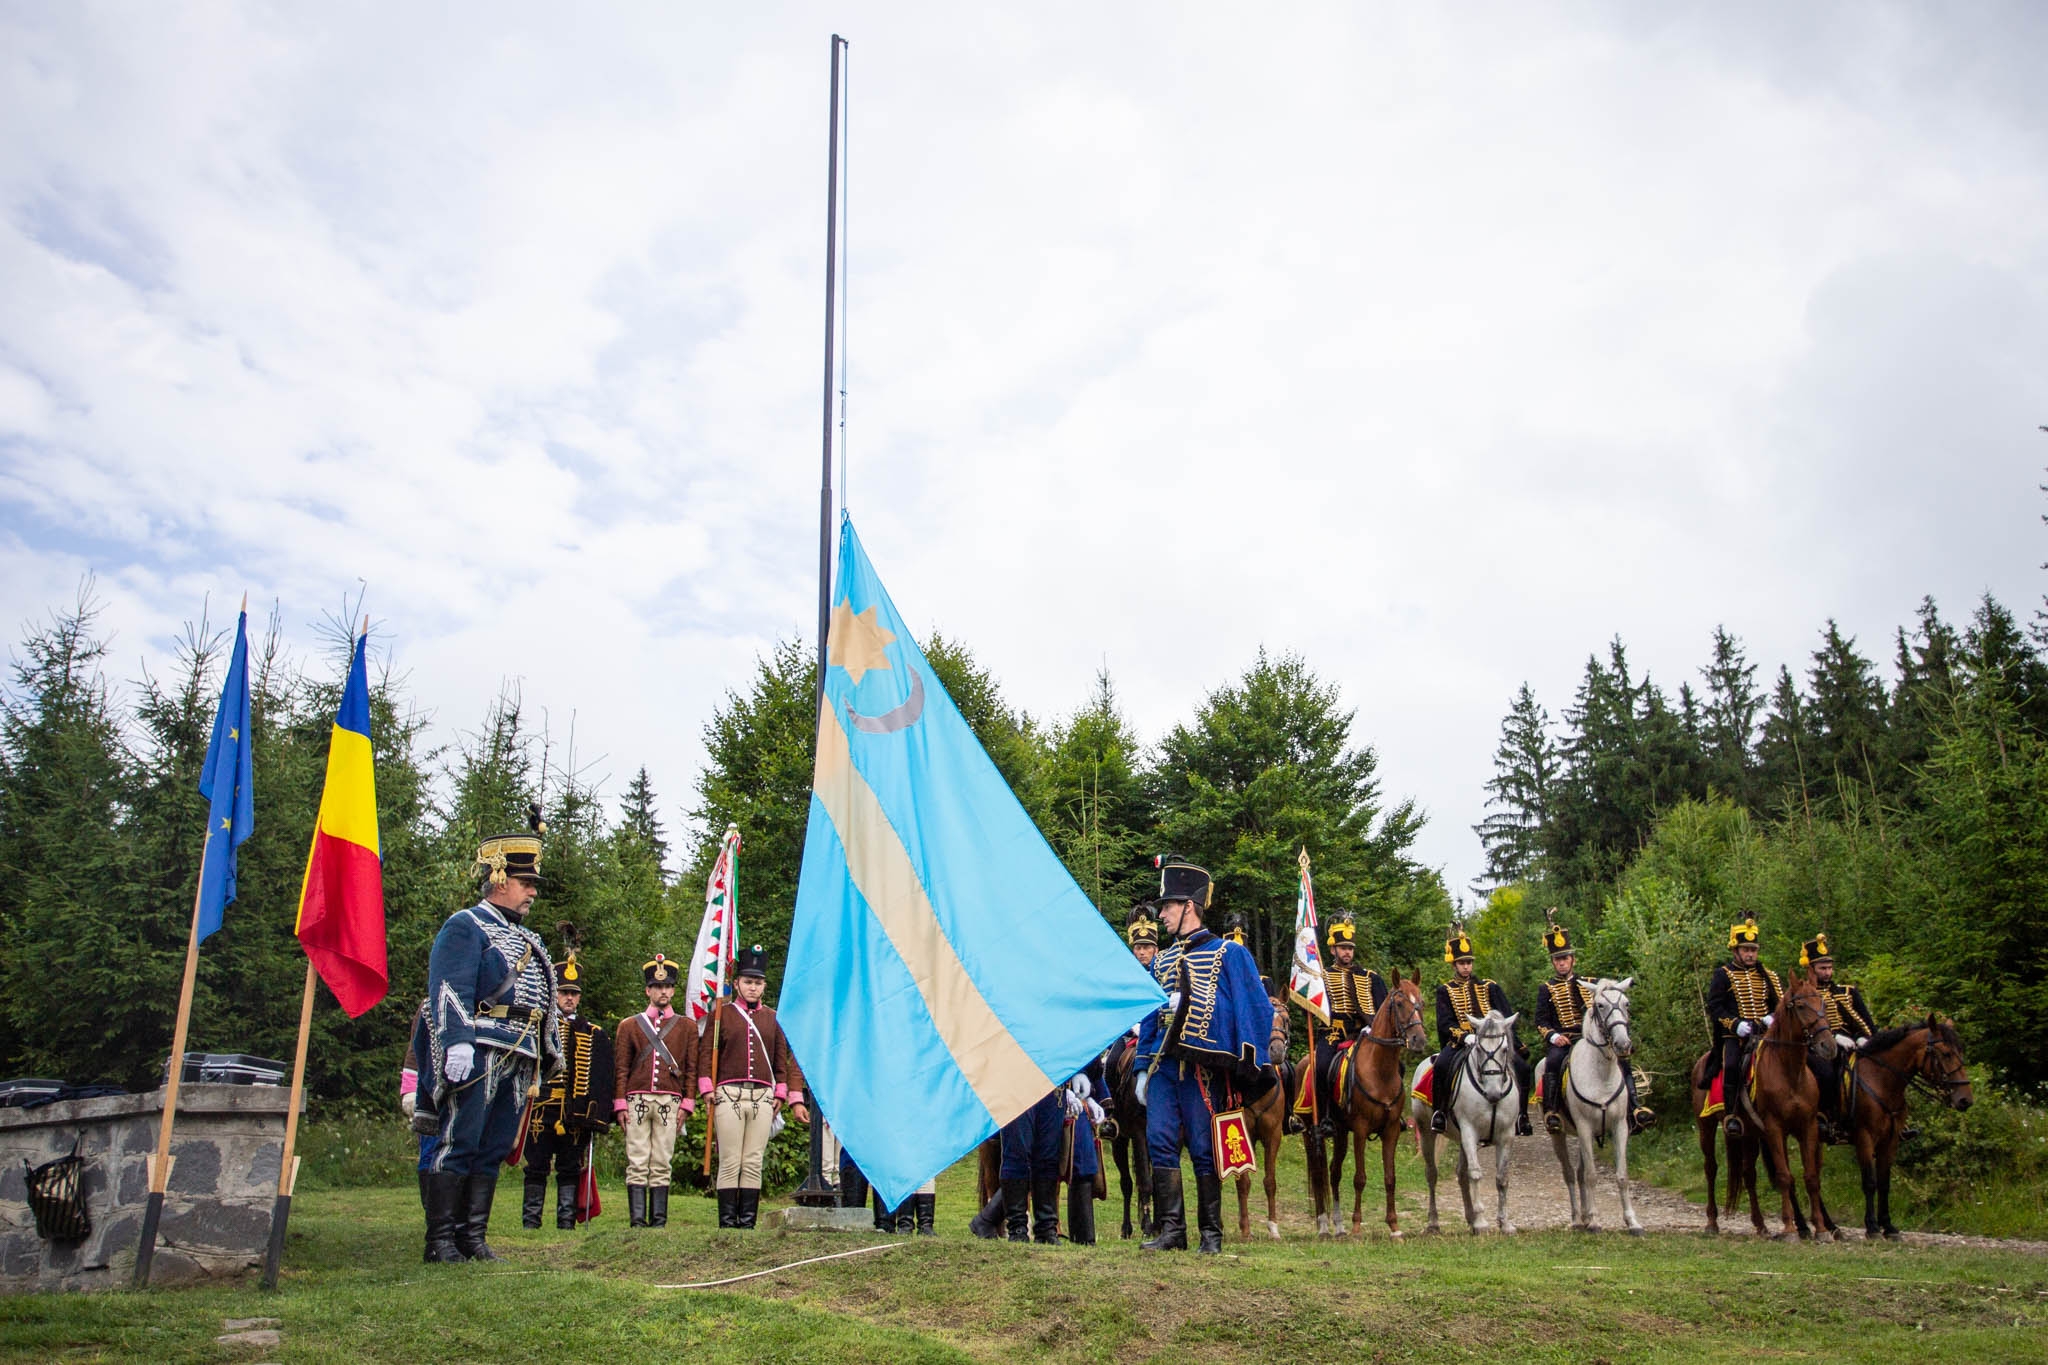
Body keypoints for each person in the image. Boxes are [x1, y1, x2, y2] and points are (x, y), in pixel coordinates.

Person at [422, 812, 562, 1263]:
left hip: (520, 1053)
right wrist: (458, 1039)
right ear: (499, 880)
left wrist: (546, 1050)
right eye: (526, 883)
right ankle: (440, 1241)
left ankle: (471, 1237)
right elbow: (449, 987)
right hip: (480, 1048)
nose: (533, 893)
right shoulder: (466, 925)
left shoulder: (527, 939)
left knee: (494, 1148)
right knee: (460, 1141)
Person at [1134, 855, 1273, 1254]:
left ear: (1188, 908)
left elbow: (1254, 1009)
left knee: (1201, 1146)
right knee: (1159, 1142)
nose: (1162, 916)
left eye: (1167, 908)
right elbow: (1148, 1020)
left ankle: (1211, 1234)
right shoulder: (1159, 962)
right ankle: (1172, 1231)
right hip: (1164, 1070)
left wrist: (1200, 1015)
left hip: (1203, 1072)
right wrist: (1142, 1068)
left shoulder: (1229, 955)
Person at [697, 944, 808, 1230]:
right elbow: (706, 1054)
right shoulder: (722, 1015)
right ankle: (727, 1222)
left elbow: (779, 1058)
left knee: (753, 1160)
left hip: (762, 1096)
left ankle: (747, 1222)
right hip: (729, 1094)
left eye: (758, 983)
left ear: (764, 986)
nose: (753, 988)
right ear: (736, 984)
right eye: (748, 982)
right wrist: (708, 1089)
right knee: (731, 1160)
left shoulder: (773, 1018)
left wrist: (781, 1092)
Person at [522, 937, 614, 1230]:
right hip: (541, 1107)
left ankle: (565, 1222)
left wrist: (596, 1117)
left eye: (574, 993)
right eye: (563, 992)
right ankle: (530, 1221)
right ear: (554, 994)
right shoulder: (537, 1027)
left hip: (574, 1112)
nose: (569, 998)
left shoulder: (593, 1033)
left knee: (569, 1167)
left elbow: (601, 1079)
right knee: (536, 1166)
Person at [1533, 914, 1650, 1134]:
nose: (1562, 962)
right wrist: (1553, 1036)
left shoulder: (1593, 983)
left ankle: (1634, 1108)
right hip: (1565, 1040)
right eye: (1558, 959)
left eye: (1565, 958)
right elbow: (1540, 1021)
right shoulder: (1546, 989)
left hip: (1594, 1039)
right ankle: (1553, 1113)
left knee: (1621, 1058)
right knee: (1553, 1063)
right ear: (1553, 962)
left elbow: (1613, 1012)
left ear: (1573, 960)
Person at [613, 952, 694, 1229]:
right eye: (658, 987)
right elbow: (621, 1068)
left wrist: (688, 1103)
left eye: (668, 986)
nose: (663, 991)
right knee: (637, 1159)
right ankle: (638, 1221)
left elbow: (691, 1068)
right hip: (637, 1098)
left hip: (670, 1100)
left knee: (662, 1160)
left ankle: (658, 1221)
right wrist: (620, 1104)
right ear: (648, 990)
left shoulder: (686, 1027)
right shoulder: (629, 1026)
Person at [1430, 921, 1532, 1137]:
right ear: (1454, 965)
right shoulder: (1445, 990)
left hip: (1492, 1041)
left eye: (1468, 962)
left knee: (1523, 1069)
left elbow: (1506, 1016)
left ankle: (1522, 1116)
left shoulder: (1489, 986)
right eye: (1461, 963)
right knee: (1441, 1066)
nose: (1466, 966)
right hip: (1462, 1042)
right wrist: (1464, 1036)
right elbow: (1444, 1022)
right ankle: (1439, 1112)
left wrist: (1517, 1043)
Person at [1701, 917, 1783, 1137]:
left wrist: (1772, 1018)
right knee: (1733, 1065)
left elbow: (1781, 1006)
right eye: (1745, 950)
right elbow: (1715, 1006)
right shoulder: (1723, 975)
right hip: (1736, 1036)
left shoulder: (1769, 976)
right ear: (1735, 951)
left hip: (1766, 1035)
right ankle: (1732, 1114)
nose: (1750, 954)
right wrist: (1735, 1024)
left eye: (1753, 950)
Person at [1313, 913, 1387, 1136]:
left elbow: (1383, 1009)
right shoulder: (1322, 976)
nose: (1347, 952)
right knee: (1322, 1067)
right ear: (1333, 949)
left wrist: (1373, 1026)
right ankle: (1326, 1116)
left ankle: (1391, 1113)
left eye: (1350, 948)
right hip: (1334, 1033)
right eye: (1342, 947)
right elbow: (1316, 1009)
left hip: (1365, 1035)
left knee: (1395, 1066)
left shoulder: (1370, 977)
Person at [1803, 933, 1873, 1142]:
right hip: (1820, 1046)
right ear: (1811, 970)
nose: (1827, 972)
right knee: (1827, 1074)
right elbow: (1805, 1027)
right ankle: (1827, 1118)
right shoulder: (1805, 994)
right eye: (1822, 968)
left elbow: (1866, 1022)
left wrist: (1862, 1037)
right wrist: (1834, 1037)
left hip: (1855, 1044)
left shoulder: (1848, 992)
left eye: (1829, 968)